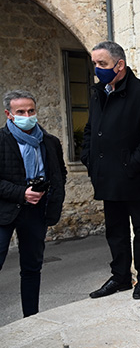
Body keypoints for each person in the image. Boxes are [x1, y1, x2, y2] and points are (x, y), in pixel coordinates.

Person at [82, 41, 140, 301]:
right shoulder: (99, 93)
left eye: (103, 64)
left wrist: (132, 163)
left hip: (134, 176)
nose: (98, 69)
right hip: (107, 176)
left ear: (120, 65)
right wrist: (89, 159)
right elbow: (90, 130)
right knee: (115, 230)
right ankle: (120, 277)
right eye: (95, 64)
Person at [0, 90, 67, 317]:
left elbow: (59, 173)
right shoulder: (1, 141)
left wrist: (49, 194)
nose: (27, 115)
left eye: (31, 110)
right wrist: (22, 193)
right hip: (5, 211)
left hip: (36, 211)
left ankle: (31, 318)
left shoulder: (49, 142)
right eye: (21, 112)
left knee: (32, 268)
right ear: (9, 114)